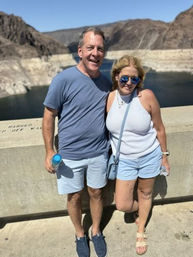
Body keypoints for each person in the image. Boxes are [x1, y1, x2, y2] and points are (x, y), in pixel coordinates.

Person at [42, 27, 111, 257]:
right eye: (90, 48)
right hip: (70, 155)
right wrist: (49, 150)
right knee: (73, 197)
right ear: (80, 51)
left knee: (96, 193)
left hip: (98, 152)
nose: (95, 53)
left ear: (104, 53)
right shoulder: (63, 79)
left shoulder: (105, 82)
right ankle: (80, 234)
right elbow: (49, 115)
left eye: (99, 48)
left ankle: (96, 230)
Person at [106, 55, 170, 255]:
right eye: (125, 78)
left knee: (146, 193)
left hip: (149, 156)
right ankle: (140, 210)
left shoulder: (146, 96)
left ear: (139, 80)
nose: (129, 83)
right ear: (116, 76)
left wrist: (164, 156)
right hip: (124, 160)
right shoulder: (109, 98)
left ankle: (141, 229)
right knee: (123, 204)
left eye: (135, 79)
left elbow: (159, 129)